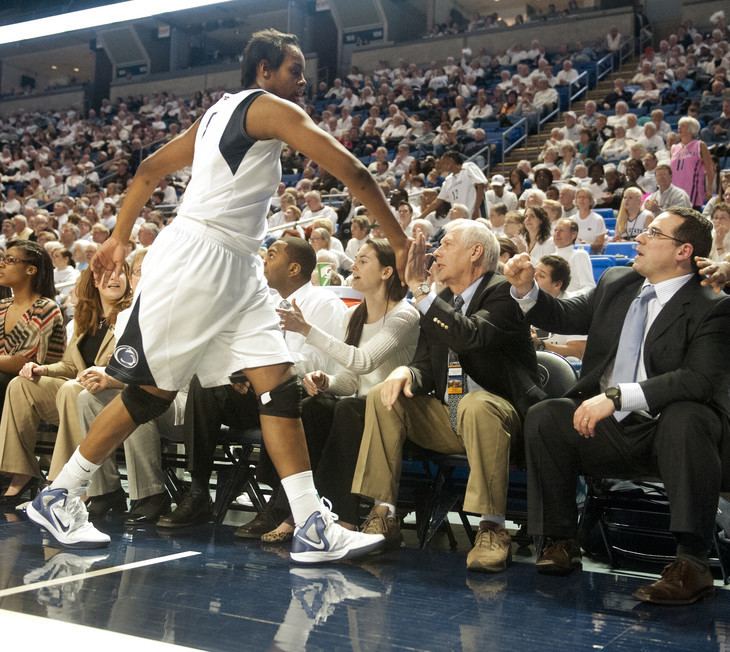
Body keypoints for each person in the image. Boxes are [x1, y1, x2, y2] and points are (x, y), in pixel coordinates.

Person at [28, 29, 408, 562]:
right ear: (263, 70)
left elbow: (147, 171)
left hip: (239, 264)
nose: (303, 79)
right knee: (149, 393)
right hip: (198, 257)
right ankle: (61, 493)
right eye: (294, 69)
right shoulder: (268, 108)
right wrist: (400, 238)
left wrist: (118, 235)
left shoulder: (213, 116)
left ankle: (311, 524)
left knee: (277, 382)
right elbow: (352, 170)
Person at [505, 207, 730, 606]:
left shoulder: (712, 303)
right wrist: (527, 291)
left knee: (686, 415)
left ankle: (691, 564)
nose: (638, 237)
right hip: (613, 431)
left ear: (684, 251)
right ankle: (559, 541)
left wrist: (616, 396)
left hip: (673, 431)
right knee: (547, 416)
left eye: (653, 232)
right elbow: (565, 313)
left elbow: (698, 380)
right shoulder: (617, 280)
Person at [352, 220, 544, 573]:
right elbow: (426, 363)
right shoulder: (440, 301)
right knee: (384, 395)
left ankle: (492, 527)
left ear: (475, 253)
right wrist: (406, 372)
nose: (436, 252)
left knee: (477, 403)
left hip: (501, 418)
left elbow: (470, 336)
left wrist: (421, 294)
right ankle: (383, 514)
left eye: (447, 244)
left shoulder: (504, 292)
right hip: (449, 416)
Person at [159, 236, 346, 532]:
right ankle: (197, 492)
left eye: (272, 255)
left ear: (294, 267)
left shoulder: (325, 303)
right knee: (206, 382)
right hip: (256, 392)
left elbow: (319, 364)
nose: (264, 261)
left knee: (303, 403)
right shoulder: (265, 302)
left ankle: (280, 506)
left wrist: (259, 369)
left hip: (297, 393)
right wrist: (238, 372)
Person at [258, 238, 420, 541]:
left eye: (363, 261)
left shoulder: (404, 315)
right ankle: (295, 512)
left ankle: (343, 520)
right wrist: (325, 381)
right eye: (354, 259)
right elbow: (348, 380)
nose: (353, 266)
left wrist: (306, 329)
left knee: (347, 410)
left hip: (394, 410)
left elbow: (364, 361)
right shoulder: (353, 315)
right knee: (313, 407)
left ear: (386, 272)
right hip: (358, 405)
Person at [0, 267, 131, 506]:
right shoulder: (86, 316)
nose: (114, 277)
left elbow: (130, 368)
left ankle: (64, 483)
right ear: (94, 280)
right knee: (22, 384)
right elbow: (70, 365)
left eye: (121, 272)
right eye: (107, 273)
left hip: (114, 395)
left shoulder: (132, 315)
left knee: (72, 389)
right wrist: (42, 369)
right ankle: (21, 473)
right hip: (78, 387)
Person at [0, 241, 65, 419]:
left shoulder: (45, 307)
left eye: (10, 260)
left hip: (35, 381)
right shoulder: (3, 306)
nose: (1, 264)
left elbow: (26, 363)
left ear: (30, 270)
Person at [531, 255, 586, 360]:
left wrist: (541, 345)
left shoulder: (574, 308)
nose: (533, 278)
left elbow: (578, 352)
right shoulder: (523, 300)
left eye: (541, 276)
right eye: (534, 273)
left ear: (557, 284)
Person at [419, 151, 487, 222]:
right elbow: (437, 202)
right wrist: (421, 217)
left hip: (474, 214)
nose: (441, 165)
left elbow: (480, 185)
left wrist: (476, 209)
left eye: (443, 163)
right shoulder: (448, 180)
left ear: (450, 161)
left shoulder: (468, 167)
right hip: (459, 218)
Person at [669, 117, 715, 209]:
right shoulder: (674, 148)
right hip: (675, 191)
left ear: (691, 129)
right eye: (679, 125)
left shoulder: (700, 145)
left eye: (682, 126)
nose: (679, 128)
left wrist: (709, 189)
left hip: (693, 191)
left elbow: (710, 168)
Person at [551, 218, 595, 295]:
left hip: (572, 303)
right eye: (555, 230)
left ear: (573, 235)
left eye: (561, 230)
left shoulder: (580, 255)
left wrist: (567, 298)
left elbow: (589, 287)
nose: (557, 234)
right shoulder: (550, 257)